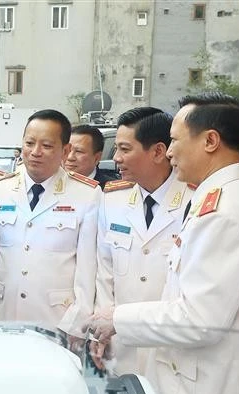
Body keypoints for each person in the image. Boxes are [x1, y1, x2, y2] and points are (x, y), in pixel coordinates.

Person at [90, 93, 239, 394]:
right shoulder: (232, 196)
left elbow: (201, 320)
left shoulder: (224, 211)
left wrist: (116, 318)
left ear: (210, 141)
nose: (169, 152)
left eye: (177, 141)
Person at [0, 110, 102, 335]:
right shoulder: (0, 189)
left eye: (47, 146)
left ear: (65, 150)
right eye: (29, 143)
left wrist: (75, 328)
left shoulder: (86, 195)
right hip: (4, 317)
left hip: (56, 322)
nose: (35, 152)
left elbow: (88, 270)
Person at [94, 107, 192, 375]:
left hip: (171, 351)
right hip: (121, 344)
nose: (116, 158)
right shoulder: (112, 200)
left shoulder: (193, 201)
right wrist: (101, 330)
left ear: (159, 152)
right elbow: (105, 273)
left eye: (125, 149)